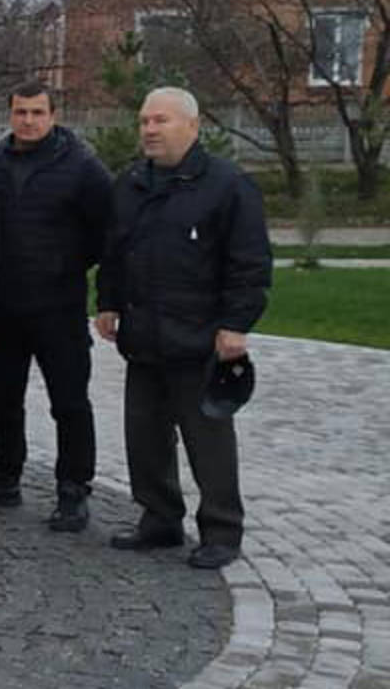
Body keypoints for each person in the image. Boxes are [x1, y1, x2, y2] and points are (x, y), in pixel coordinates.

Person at [96, 87, 270, 570]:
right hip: (144, 338)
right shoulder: (130, 183)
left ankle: (221, 529)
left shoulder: (227, 185)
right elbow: (115, 251)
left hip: (199, 339)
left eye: (161, 121)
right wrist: (107, 302)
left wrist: (236, 324)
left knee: (208, 440)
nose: (150, 130)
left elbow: (250, 264)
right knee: (144, 437)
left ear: (192, 127)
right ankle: (159, 518)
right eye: (144, 121)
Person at [0, 86, 112, 532]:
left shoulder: (82, 167)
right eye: (20, 112)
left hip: (58, 307)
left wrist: (66, 266)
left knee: (68, 402)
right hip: (3, 306)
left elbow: (106, 233)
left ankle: (73, 489)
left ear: (53, 115)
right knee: (2, 397)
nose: (28, 120)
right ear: (9, 114)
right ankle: (4, 476)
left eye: (36, 112)